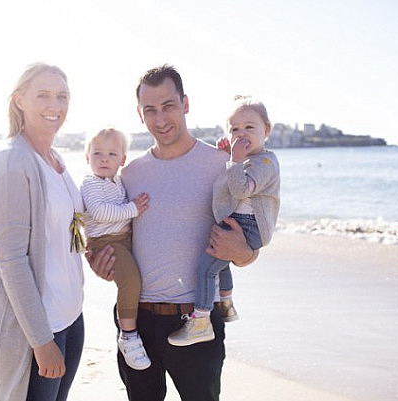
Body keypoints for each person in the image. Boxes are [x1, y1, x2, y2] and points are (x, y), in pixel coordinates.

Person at [88, 64, 258, 401]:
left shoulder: (221, 165)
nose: (160, 118)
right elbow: (114, 236)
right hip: (137, 323)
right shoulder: (129, 173)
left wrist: (242, 251)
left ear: (185, 104)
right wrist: (99, 262)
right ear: (140, 114)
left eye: (168, 106)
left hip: (196, 322)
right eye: (150, 109)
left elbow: (249, 242)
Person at [0, 63, 85, 401]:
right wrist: (41, 341)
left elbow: (68, 233)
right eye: (44, 95)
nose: (55, 105)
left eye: (62, 96)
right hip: (38, 332)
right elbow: (10, 259)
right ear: (19, 100)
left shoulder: (56, 160)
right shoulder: (12, 163)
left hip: (71, 318)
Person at [167, 95, 280, 347]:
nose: (241, 135)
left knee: (205, 268)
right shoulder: (250, 158)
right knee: (219, 263)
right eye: (234, 129)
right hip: (239, 220)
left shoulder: (265, 163)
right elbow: (228, 183)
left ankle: (201, 321)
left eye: (249, 128)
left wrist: (235, 160)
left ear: (267, 130)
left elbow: (240, 190)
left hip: (248, 227)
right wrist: (229, 155)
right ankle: (226, 303)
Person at [81, 128, 151, 370]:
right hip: (106, 241)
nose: (104, 159)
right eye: (97, 153)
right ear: (87, 157)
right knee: (130, 281)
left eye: (112, 154)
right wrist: (133, 209)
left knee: (140, 273)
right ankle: (128, 335)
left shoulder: (118, 181)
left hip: (123, 237)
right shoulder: (91, 184)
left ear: (122, 160)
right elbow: (100, 213)